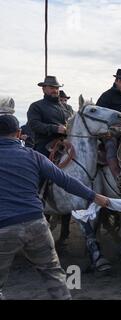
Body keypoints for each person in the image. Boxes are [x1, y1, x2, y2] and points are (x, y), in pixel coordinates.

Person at [0, 115, 110, 300]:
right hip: (37, 224)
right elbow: (66, 181)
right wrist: (94, 196)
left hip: (4, 227)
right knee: (54, 274)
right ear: (19, 133)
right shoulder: (34, 156)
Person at [96, 69, 121, 194]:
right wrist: (112, 127)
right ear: (116, 81)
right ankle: (118, 176)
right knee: (111, 145)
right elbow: (98, 117)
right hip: (109, 133)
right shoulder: (106, 96)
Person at [27, 76, 72, 157]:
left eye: (57, 88)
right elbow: (34, 125)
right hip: (45, 144)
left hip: (69, 142)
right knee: (41, 165)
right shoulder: (36, 106)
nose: (55, 90)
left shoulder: (68, 108)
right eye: (52, 88)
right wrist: (55, 128)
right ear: (43, 89)